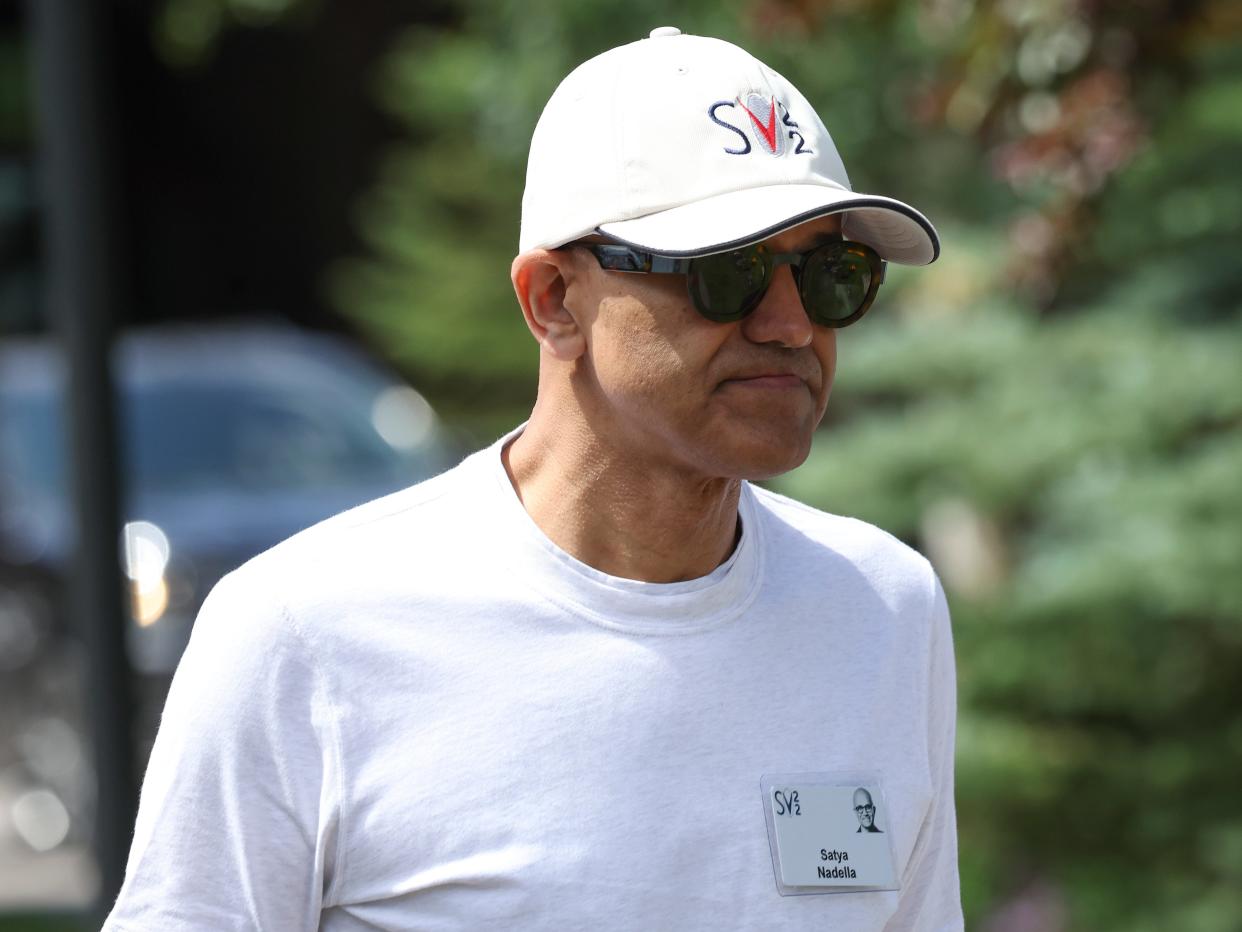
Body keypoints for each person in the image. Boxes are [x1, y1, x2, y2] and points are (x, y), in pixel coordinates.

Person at [105, 27, 961, 930]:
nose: (792, 324)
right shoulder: (303, 634)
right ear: (554, 299)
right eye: (731, 271)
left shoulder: (883, 610)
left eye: (834, 273)